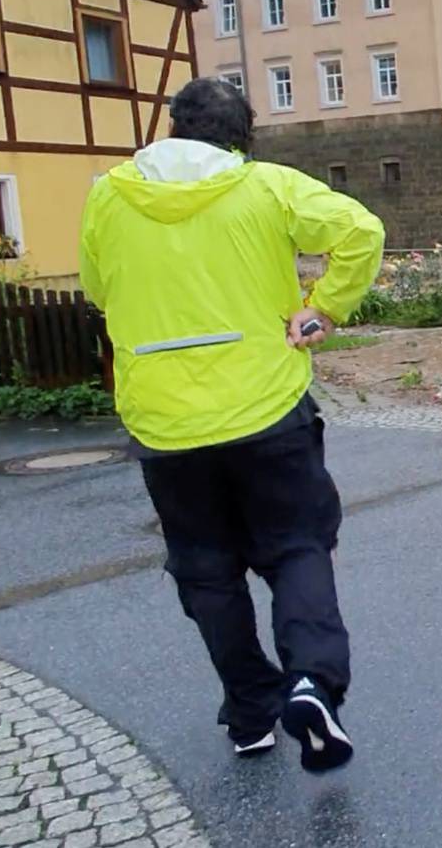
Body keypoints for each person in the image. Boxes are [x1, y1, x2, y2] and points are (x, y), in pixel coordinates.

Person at [80, 77, 383, 773]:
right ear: (242, 136)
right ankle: (312, 682)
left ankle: (250, 711)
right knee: (297, 545)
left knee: (207, 571)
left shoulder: (109, 195)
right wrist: (323, 308)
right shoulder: (266, 186)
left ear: (175, 128)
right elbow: (361, 232)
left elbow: (98, 290)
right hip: (267, 407)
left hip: (164, 424)